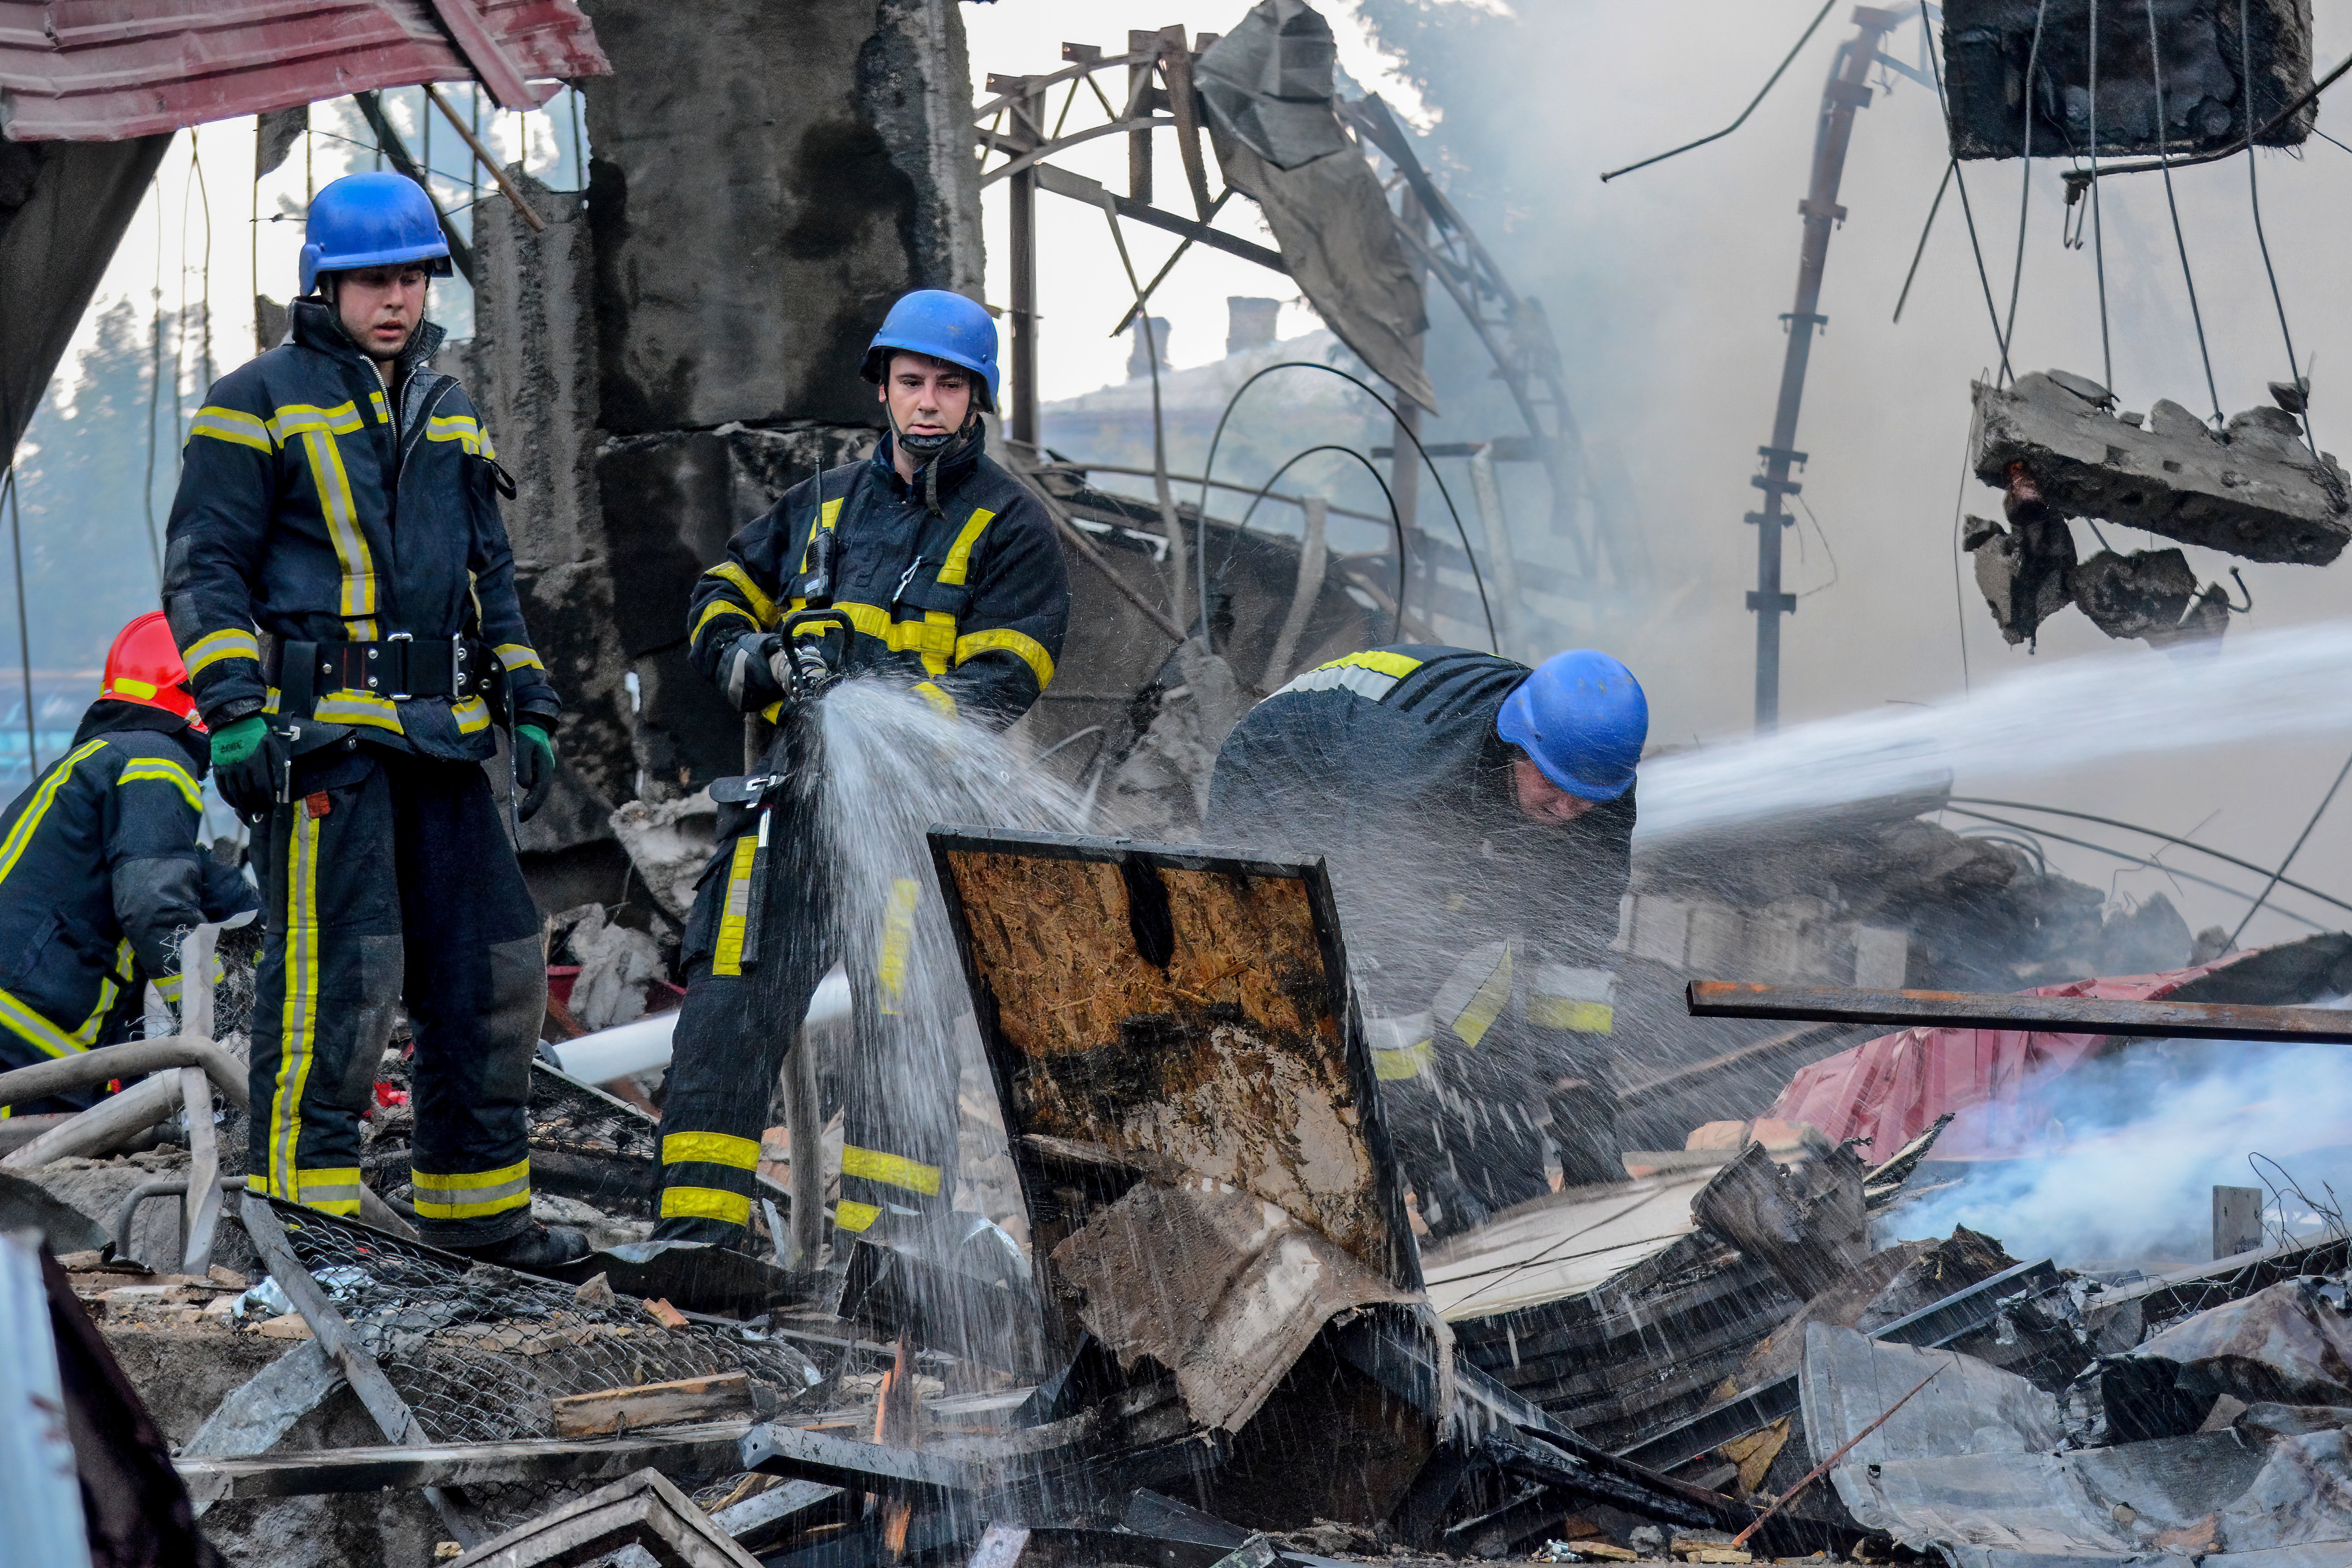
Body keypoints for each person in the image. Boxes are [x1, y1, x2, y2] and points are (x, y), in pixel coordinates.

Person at [162, 171, 580, 1266]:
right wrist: (236, 713)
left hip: (441, 743)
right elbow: (203, 568)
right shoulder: (253, 400)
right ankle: (307, 1239)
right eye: (369, 279)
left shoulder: (449, 408)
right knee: (336, 992)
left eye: (409, 276)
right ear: (323, 284)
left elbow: (491, 573)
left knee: (491, 975)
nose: (394, 298)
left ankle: (477, 1221)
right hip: (323, 749)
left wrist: (528, 700)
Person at [652, 288, 1070, 1247]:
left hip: (912, 831)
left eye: (949, 387)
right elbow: (721, 590)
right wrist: (750, 661)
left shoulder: (1010, 529)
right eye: (911, 382)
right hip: (787, 812)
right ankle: (697, 1247)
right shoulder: (820, 505)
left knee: (903, 1038)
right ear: (882, 388)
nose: (927, 404)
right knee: (727, 1010)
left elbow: (1003, 682)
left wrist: (870, 698)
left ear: (978, 401)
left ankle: (895, 1259)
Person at [1207, 645, 1646, 1237]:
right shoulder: (1417, 785)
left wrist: (1586, 1122)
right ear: (1519, 742)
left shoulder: (1600, 787)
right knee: (1316, 1004)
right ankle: (1301, 1212)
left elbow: (1576, 964)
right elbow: (1390, 972)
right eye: (1553, 782)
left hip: (1391, 789)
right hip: (1285, 775)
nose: (1568, 807)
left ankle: (1509, 1210)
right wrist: (1428, 1168)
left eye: (1584, 793)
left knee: (1478, 1031)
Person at [0, 614, 259, 1113]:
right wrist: (220, 1018)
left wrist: (261, 915)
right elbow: (156, 905)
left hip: (33, 1045)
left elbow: (186, 871)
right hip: (26, 1052)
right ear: (197, 696)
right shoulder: (154, 759)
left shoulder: (111, 759)